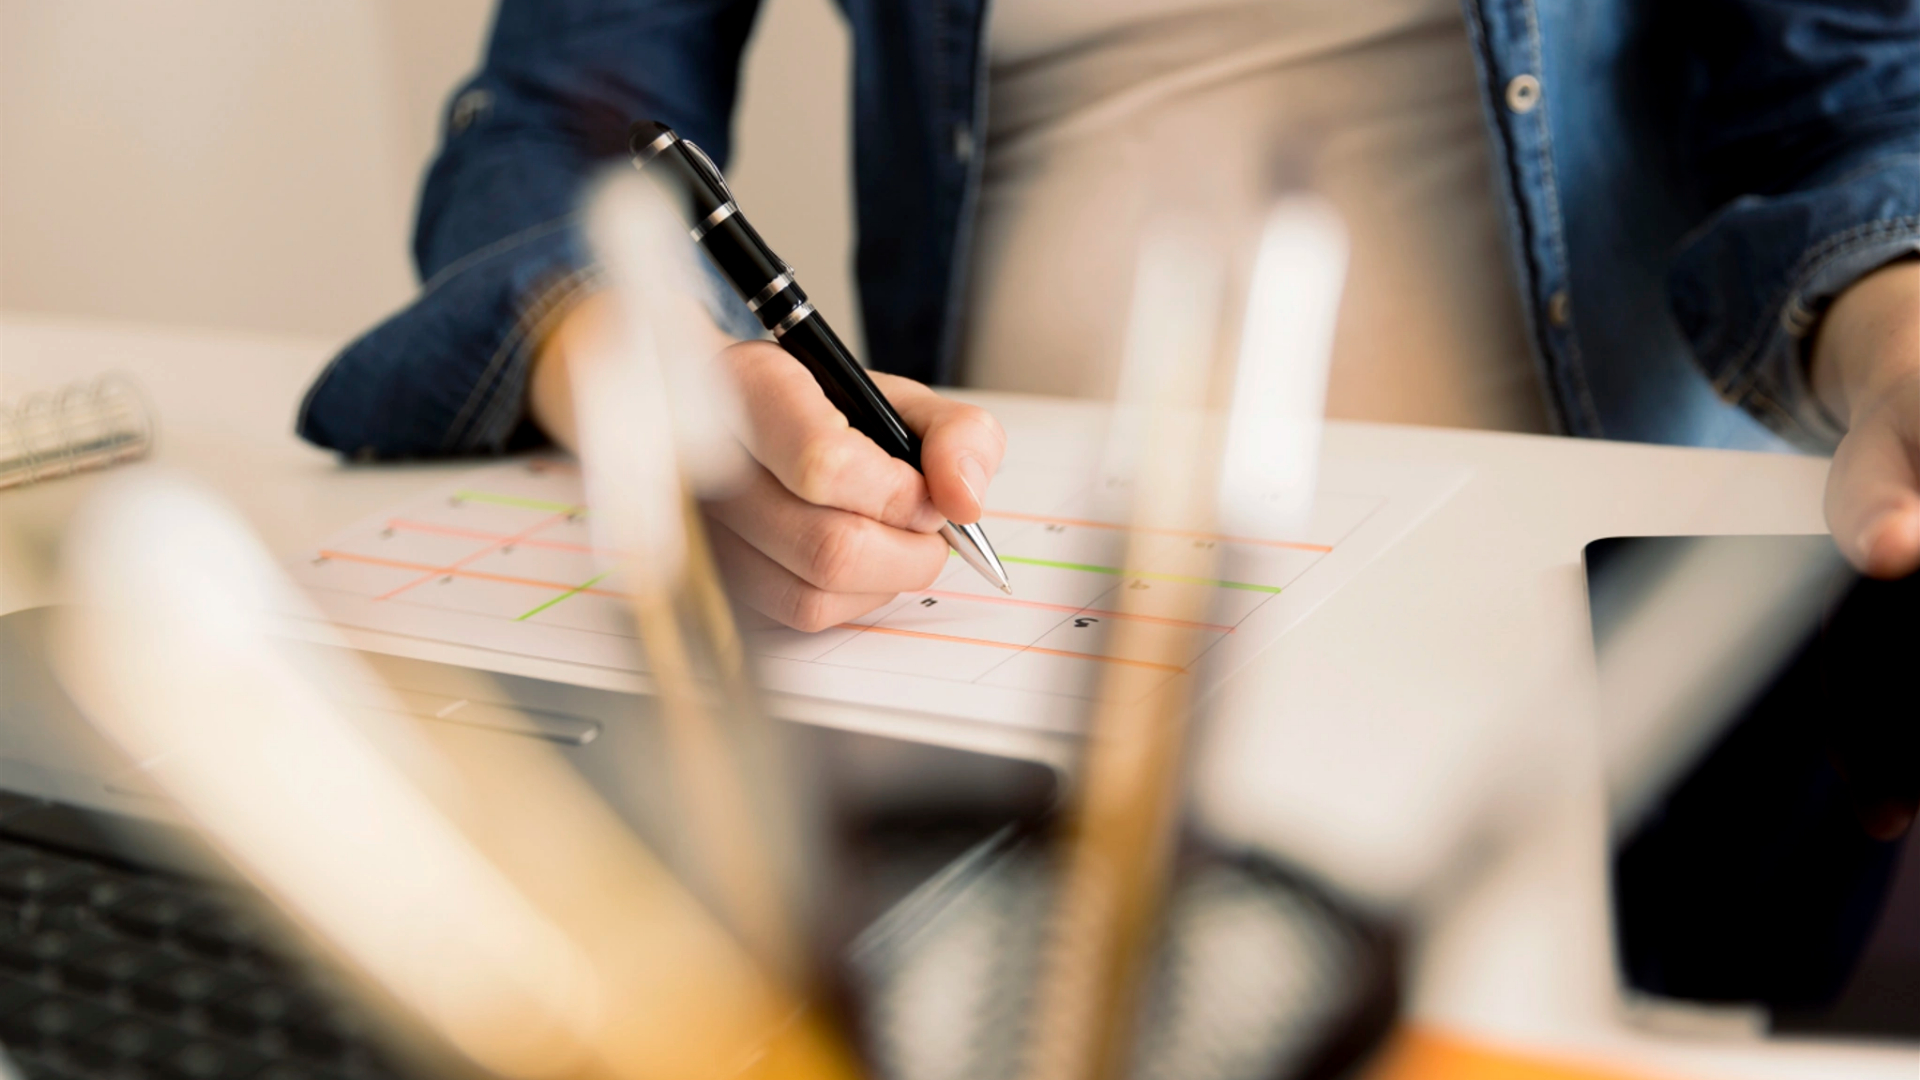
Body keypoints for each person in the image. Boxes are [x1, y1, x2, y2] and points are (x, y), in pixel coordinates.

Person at [299, 0, 1920, 632]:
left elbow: (1852, 110)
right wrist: (671, 391)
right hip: (986, 622)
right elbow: (551, 124)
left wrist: (1907, 343)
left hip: (1571, 622)